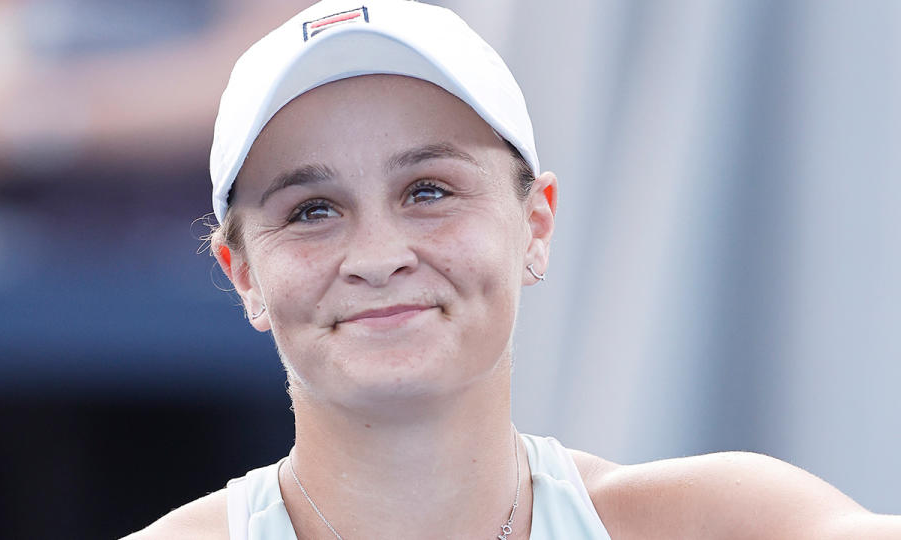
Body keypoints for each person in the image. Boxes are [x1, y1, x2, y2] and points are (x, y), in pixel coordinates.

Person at [126, 1, 901, 538]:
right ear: (244, 275)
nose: (377, 256)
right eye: (312, 210)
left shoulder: (726, 525)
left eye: (428, 191)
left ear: (537, 223)